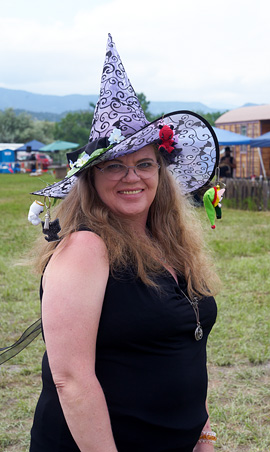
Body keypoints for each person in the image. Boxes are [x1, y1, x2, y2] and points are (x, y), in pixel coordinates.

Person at [14, 34, 221, 452]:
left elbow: (184, 345)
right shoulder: (86, 248)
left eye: (145, 163)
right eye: (114, 166)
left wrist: (202, 432)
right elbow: (69, 379)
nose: (132, 177)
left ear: (160, 174)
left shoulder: (168, 243)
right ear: (90, 180)